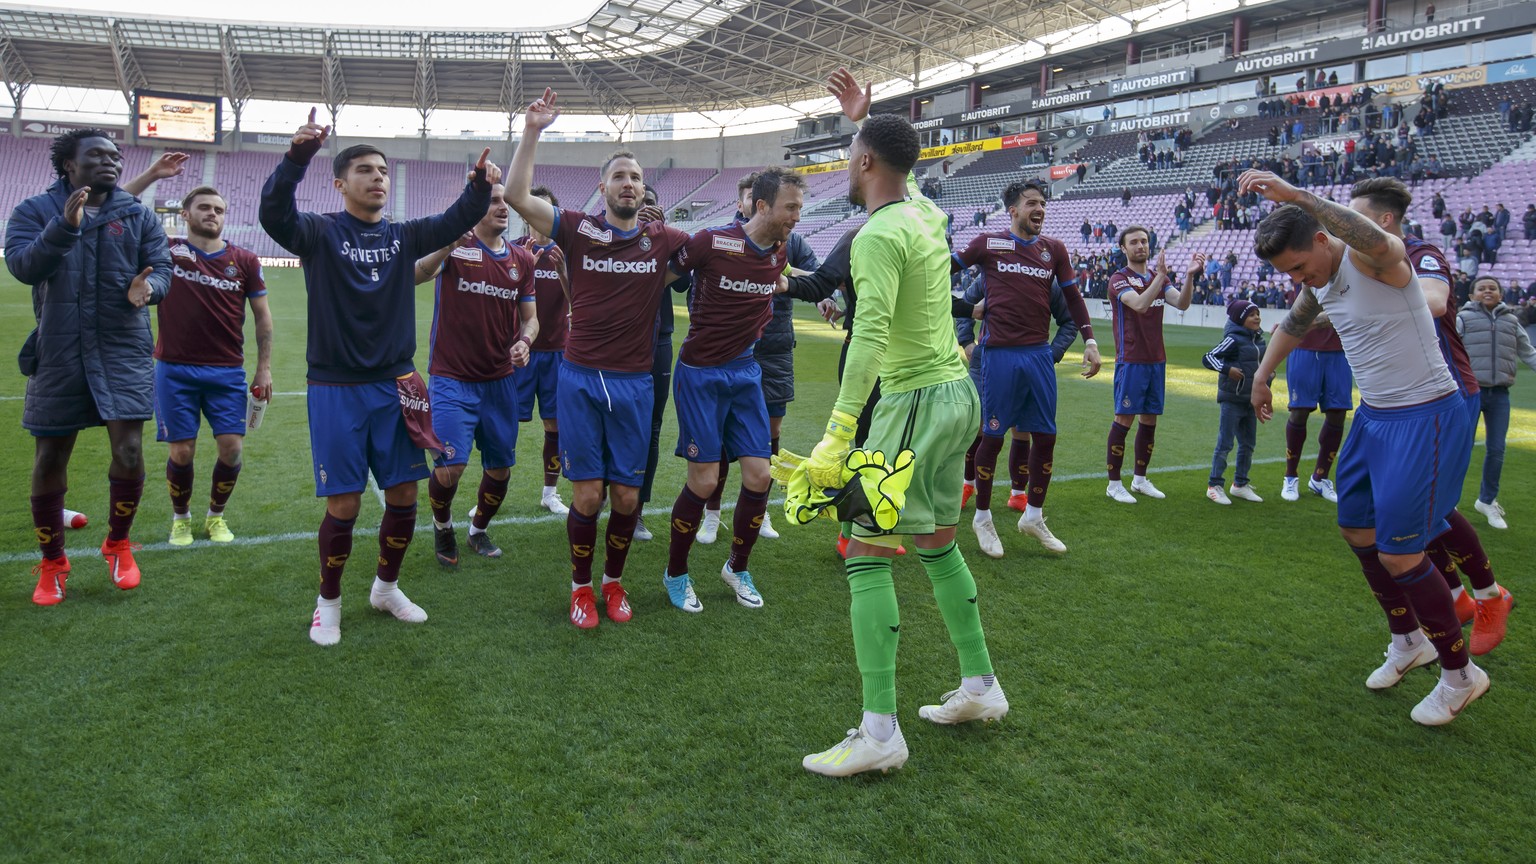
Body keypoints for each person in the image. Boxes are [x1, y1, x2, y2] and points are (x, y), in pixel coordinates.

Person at [798, 68, 1005, 778]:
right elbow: (901, 165)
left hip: (912, 403)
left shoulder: (878, 233)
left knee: (865, 553)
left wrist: (837, 430)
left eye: (852, 150)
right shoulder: (921, 209)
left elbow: (870, 335)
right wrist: (869, 115)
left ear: (861, 163)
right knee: (940, 542)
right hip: (959, 397)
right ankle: (980, 686)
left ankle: (879, 731)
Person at [1244, 169, 1489, 724]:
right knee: (1357, 529)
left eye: (1301, 265)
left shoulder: (1375, 259)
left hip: (1425, 414)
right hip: (1375, 416)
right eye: (1289, 272)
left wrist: (1298, 196)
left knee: (1401, 551)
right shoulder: (1320, 281)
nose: (1299, 277)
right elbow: (1293, 324)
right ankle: (1409, 641)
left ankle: (1460, 675)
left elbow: (1380, 241)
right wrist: (1263, 375)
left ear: (1325, 240)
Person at [260, 109, 495, 646]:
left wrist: (479, 188)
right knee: (343, 503)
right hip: (336, 388)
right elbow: (275, 214)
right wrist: (297, 158)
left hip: (397, 385)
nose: (378, 178)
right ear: (341, 183)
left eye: (384, 171)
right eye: (365, 170)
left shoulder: (403, 236)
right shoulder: (319, 232)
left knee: (404, 496)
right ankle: (329, 602)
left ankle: (386, 588)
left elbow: (456, 218)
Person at [502, 89, 690, 629]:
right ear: (603, 187)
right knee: (586, 494)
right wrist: (533, 129)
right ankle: (581, 587)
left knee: (628, 497)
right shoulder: (579, 229)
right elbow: (516, 193)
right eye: (619, 176)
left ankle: (614, 582)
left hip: (634, 382)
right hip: (581, 378)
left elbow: (708, 250)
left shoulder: (662, 240)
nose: (628, 183)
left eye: (636, 177)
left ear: (643, 191)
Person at [1349, 178, 1513, 656]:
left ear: (1383, 221)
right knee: (1399, 513)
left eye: (1355, 216)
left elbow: (1436, 301)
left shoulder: (1421, 254)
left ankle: (1489, 596)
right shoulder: (1362, 266)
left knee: (1432, 510)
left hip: (1447, 394)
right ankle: (1458, 597)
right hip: (1400, 399)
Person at [9, 128, 171, 605]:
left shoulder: (139, 215)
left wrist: (151, 289)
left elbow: (160, 268)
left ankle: (118, 544)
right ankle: (53, 563)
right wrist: (64, 225)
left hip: (123, 348)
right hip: (59, 351)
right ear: (68, 165)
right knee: (50, 458)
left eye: (116, 156)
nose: (111, 162)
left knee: (129, 451)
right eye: (97, 155)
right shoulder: (33, 212)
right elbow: (22, 266)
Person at [662, 167, 804, 614]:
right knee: (703, 481)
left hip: (746, 373)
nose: (796, 216)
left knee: (760, 476)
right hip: (700, 374)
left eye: (799, 207)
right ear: (762, 206)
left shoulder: (778, 253)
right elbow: (659, 280)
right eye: (790, 207)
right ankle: (676, 573)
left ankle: (736, 567)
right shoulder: (710, 241)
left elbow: (776, 284)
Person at [120, 159, 272, 547]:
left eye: (219, 209)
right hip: (174, 369)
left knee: (232, 448)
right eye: (204, 208)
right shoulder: (167, 252)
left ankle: (216, 517)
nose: (213, 214)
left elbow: (262, 319)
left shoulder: (245, 261)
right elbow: (119, 205)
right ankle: (181, 519)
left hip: (226, 372)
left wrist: (263, 369)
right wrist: (152, 175)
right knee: (183, 451)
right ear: (185, 214)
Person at [952, 179, 1098, 557]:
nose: (1040, 209)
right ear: (1012, 210)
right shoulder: (988, 244)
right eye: (1032, 203)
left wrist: (1091, 341)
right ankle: (982, 517)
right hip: (999, 355)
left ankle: (1033, 515)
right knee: (993, 437)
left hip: (1038, 357)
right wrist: (963, 311)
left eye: (1043, 204)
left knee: (1045, 437)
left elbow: (1073, 298)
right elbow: (942, 271)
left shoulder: (1055, 250)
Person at [412, 179, 539, 566]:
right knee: (450, 468)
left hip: (501, 382)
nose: (502, 207)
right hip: (452, 378)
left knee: (500, 470)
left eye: (504, 202)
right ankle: (443, 524)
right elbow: (416, 274)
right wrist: (445, 247)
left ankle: (478, 530)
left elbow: (531, 320)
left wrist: (526, 342)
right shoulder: (458, 247)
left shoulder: (523, 260)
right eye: (493, 202)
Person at [696, 175, 818, 545]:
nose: (754, 202)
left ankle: (760, 511)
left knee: (771, 434)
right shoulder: (720, 240)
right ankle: (712, 514)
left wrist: (802, 283)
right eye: (749, 197)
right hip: (730, 354)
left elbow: (816, 276)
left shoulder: (791, 242)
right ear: (747, 203)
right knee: (717, 439)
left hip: (776, 348)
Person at [1103, 229, 1199, 504]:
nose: (1140, 246)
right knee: (1124, 419)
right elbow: (1141, 305)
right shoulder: (1119, 279)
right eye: (1133, 242)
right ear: (1123, 248)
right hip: (1131, 359)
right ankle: (1113, 483)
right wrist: (1159, 276)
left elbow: (1181, 303)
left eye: (1144, 241)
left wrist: (1190, 275)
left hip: (1156, 359)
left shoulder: (1160, 278)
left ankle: (1140, 479)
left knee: (1149, 420)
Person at [1457, 276, 1536, 531]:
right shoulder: (1463, 319)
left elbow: (1528, 353)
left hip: (1500, 394)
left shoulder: (1512, 322)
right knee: (1460, 447)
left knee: (1497, 450)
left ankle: (1487, 500)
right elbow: (1446, 351)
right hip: (1469, 393)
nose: (1488, 291)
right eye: (1482, 288)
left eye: (1493, 288)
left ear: (1501, 294)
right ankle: (1449, 502)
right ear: (1472, 296)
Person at [514, 185, 572, 517]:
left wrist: (563, 272)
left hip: (556, 352)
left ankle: (550, 492)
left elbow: (578, 301)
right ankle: (490, 492)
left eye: (546, 208)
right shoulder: (515, 250)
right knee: (504, 423)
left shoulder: (564, 251)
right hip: (520, 351)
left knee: (554, 426)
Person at [1202, 299, 1268, 504]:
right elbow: (1209, 357)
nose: (1257, 317)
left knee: (1248, 444)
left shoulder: (1259, 341)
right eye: (1251, 315)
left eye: (1257, 313)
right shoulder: (1233, 339)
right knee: (1225, 444)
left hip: (1251, 400)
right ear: (1240, 319)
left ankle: (1240, 484)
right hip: (1232, 399)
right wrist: (1227, 370)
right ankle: (1214, 485)